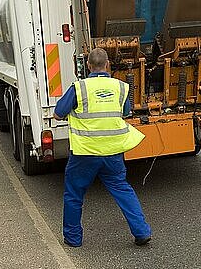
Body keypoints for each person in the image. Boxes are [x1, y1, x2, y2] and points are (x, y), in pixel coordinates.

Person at [54, 48, 152, 246]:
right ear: (107, 64)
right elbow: (124, 113)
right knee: (122, 189)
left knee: (74, 194)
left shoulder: (79, 88)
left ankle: (73, 239)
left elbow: (58, 113)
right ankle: (141, 232)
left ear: (88, 66)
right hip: (113, 153)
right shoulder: (121, 87)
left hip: (85, 153)